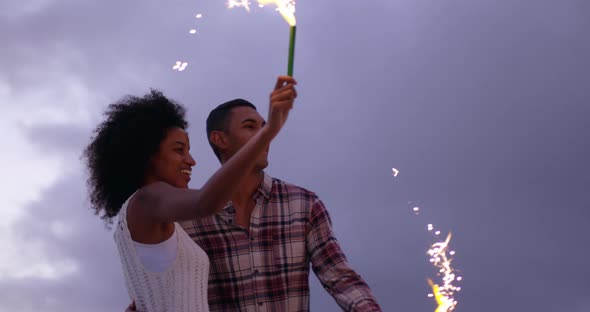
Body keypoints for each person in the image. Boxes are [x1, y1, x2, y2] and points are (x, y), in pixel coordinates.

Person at [84, 76, 297, 312]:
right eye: (179, 150)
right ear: (146, 154)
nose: (191, 160)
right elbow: (205, 202)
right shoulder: (148, 199)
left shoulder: (146, 213)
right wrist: (268, 132)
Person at [181, 98, 382, 311]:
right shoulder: (189, 219)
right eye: (250, 127)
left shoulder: (303, 204)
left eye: (265, 128)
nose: (265, 136)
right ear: (220, 139)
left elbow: (339, 276)